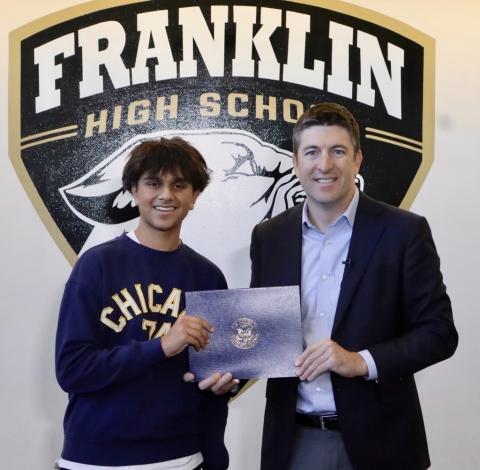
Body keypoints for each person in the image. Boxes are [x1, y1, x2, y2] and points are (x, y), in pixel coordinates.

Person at [249, 102, 458, 470]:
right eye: (312, 152)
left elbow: (439, 333)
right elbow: (261, 332)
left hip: (383, 442)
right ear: (295, 162)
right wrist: (224, 370)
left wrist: (361, 361)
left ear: (357, 159)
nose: (324, 164)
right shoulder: (269, 236)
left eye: (338, 151)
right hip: (294, 441)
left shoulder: (404, 232)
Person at [55, 137, 238, 470]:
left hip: (182, 456)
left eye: (179, 185)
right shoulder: (96, 265)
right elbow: (72, 370)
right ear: (133, 190)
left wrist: (220, 386)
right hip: (96, 458)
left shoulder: (207, 275)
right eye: (153, 183)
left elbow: (211, 377)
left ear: (195, 196)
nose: (166, 195)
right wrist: (162, 346)